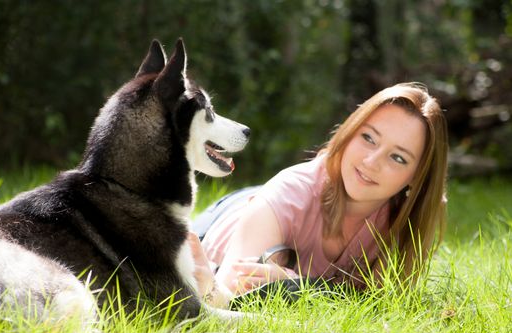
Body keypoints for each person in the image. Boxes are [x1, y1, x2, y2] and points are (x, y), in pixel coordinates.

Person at [188, 82, 449, 308]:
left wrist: (297, 287)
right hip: (225, 219)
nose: (372, 162)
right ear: (350, 132)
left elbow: (384, 308)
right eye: (369, 138)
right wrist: (294, 290)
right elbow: (227, 301)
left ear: (417, 176)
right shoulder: (287, 195)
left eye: (398, 157)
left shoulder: (405, 220)